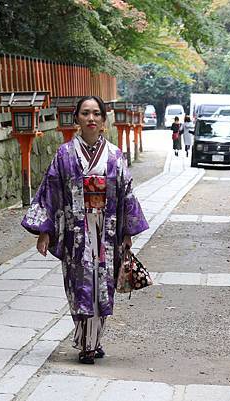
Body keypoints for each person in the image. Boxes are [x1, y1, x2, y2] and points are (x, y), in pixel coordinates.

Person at [21, 95, 149, 365]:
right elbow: (50, 193)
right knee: (79, 285)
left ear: (103, 121)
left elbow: (127, 194)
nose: (91, 118)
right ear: (77, 119)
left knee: (103, 285)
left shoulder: (114, 155)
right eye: (85, 113)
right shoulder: (64, 155)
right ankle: (88, 341)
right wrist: (45, 231)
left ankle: (92, 342)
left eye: (96, 114)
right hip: (75, 231)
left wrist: (127, 230)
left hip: (108, 230)